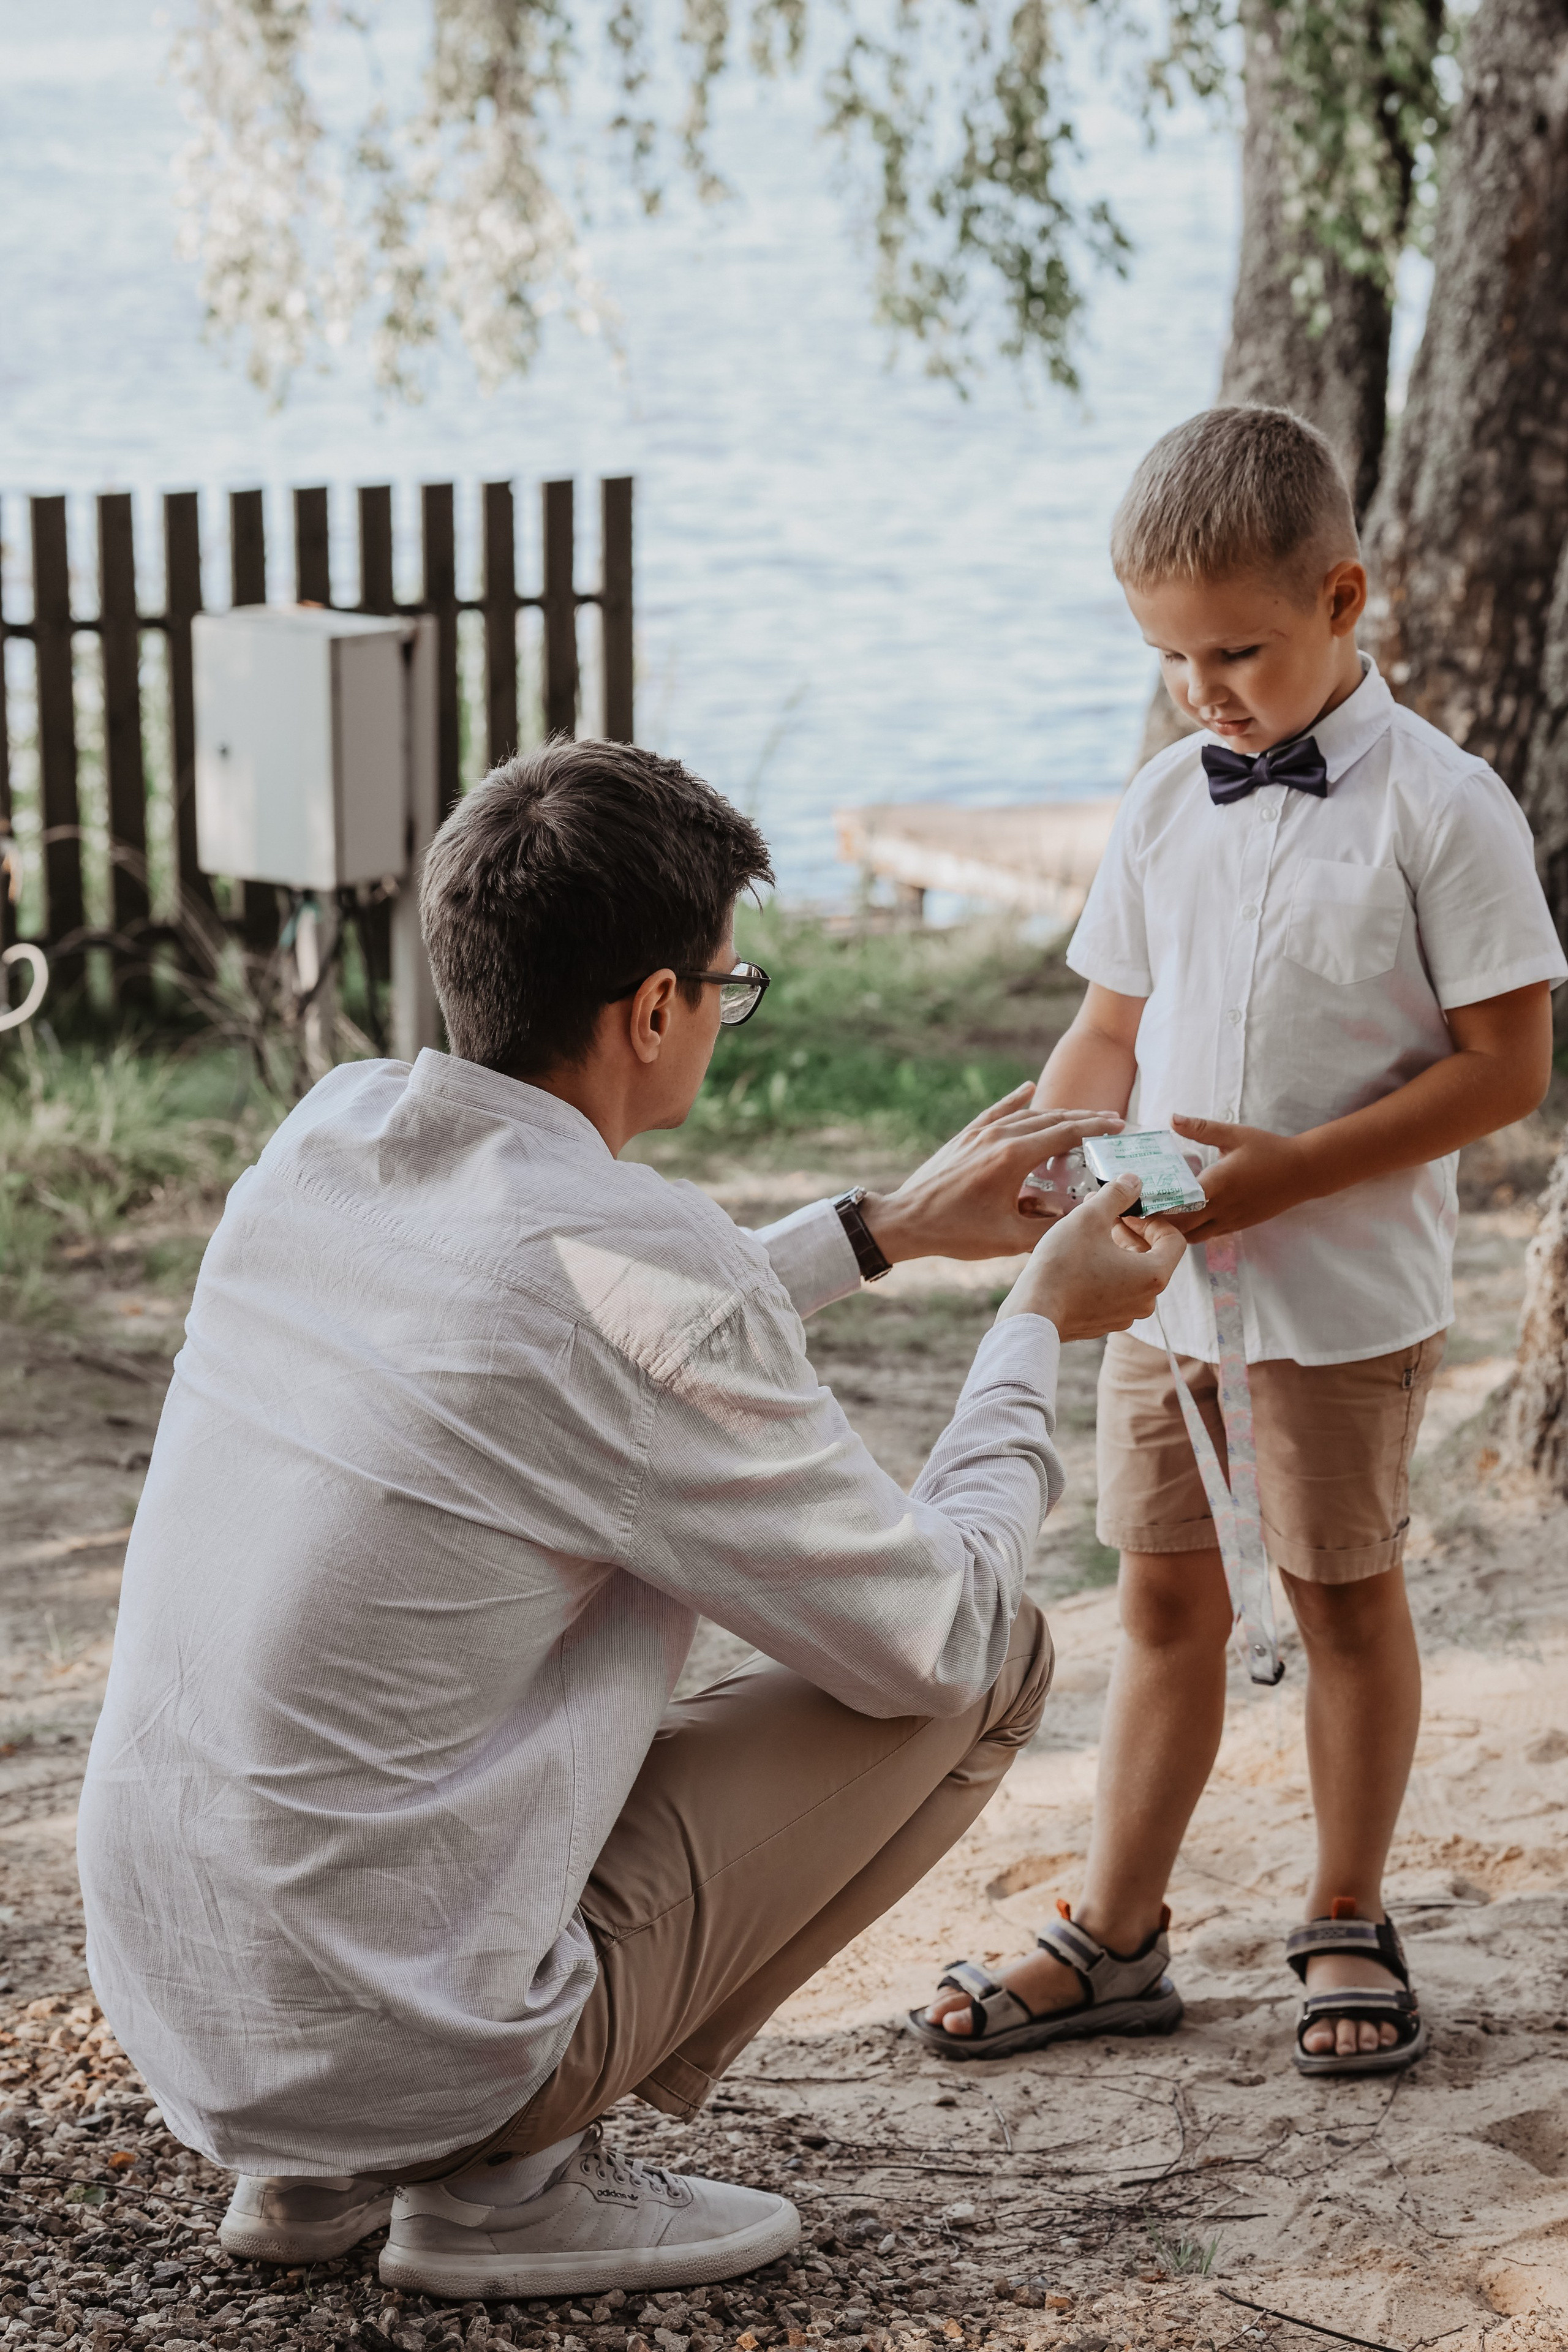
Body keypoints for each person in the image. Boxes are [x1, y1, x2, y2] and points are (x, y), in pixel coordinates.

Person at [78, 740, 1184, 2301]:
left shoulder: (325, 1144)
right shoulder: (643, 1277)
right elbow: (936, 1634)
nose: (724, 1016)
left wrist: (873, 1231)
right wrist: (1033, 1324)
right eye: (727, 988)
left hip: (192, 2023)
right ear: (653, 1009)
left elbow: (561, 1327)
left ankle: (313, 2173)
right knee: (996, 1657)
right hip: (413, 2046)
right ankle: (508, 2181)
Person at [919, 404, 1567, 2079]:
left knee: (1342, 1602)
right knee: (1160, 1601)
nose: (1201, 693)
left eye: (1235, 654)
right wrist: (1062, 1152)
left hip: (1339, 1296)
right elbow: (1109, 1028)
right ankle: (1114, 1930)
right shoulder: (1163, 801)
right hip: (1164, 1297)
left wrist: (1286, 1181)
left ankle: (1346, 1908)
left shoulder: (1444, 808)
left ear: (1343, 599)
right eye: (1170, 660)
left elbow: (1504, 1070)